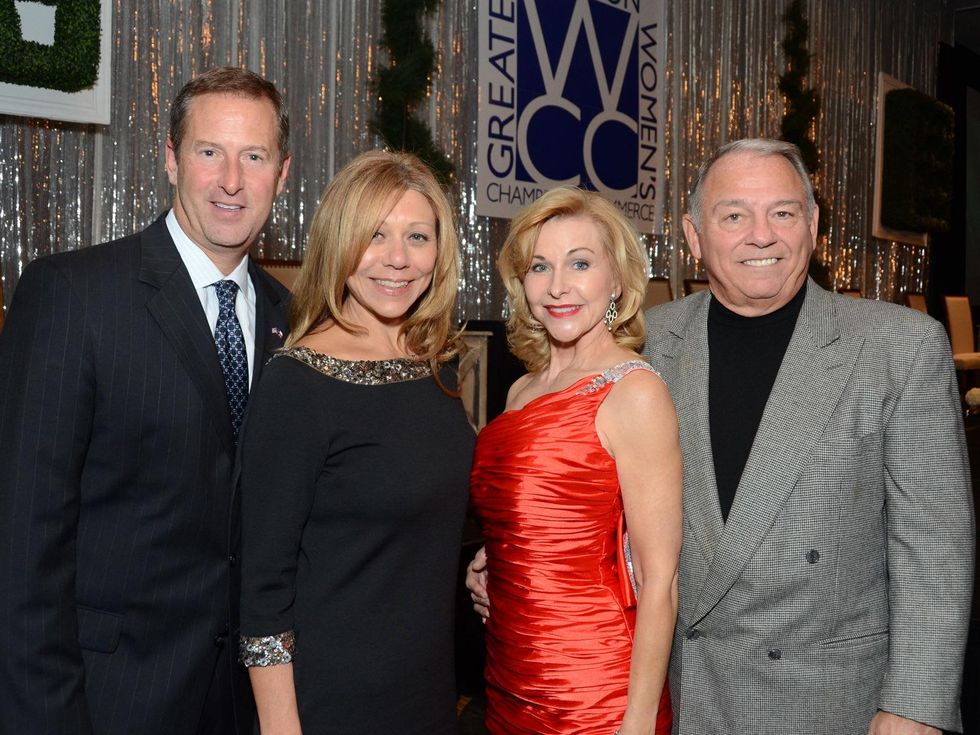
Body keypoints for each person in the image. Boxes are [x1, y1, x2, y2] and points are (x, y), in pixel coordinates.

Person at [470, 138, 976, 734]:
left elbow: (935, 548)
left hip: (828, 700)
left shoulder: (896, 346)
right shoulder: (643, 345)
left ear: (812, 225)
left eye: (783, 213)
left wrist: (913, 708)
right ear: (693, 234)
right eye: (733, 215)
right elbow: (591, 486)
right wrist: (516, 554)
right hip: (682, 690)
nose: (760, 235)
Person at [0, 67, 292, 734]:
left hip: (244, 708)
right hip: (106, 703)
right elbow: (21, 554)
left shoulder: (293, 320)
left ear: (282, 173)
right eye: (208, 151)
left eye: (254, 156)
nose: (231, 180)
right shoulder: (73, 297)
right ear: (169, 158)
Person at [237, 150, 474, 734]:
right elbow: (263, 585)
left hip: (427, 694)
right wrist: (280, 727)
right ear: (338, 245)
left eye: (417, 236)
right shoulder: (298, 381)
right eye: (375, 236)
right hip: (330, 704)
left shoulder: (437, 368)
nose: (398, 259)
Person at [468, 186, 681, 735]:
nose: (558, 286)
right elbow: (535, 515)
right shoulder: (521, 391)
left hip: (596, 689)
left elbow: (660, 582)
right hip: (509, 674)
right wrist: (495, 560)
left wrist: (635, 724)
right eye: (540, 266)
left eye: (580, 263)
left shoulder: (634, 392)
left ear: (617, 279)